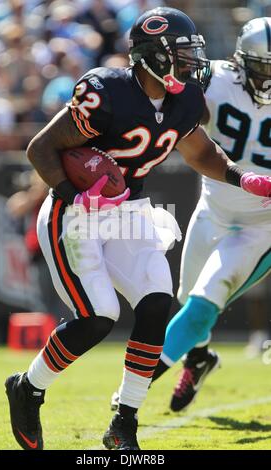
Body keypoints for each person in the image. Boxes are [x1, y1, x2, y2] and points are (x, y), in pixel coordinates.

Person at [5, 8, 271, 451]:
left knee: (155, 303)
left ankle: (122, 423)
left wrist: (241, 177)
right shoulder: (107, 92)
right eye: (182, 55)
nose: (192, 64)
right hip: (74, 213)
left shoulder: (186, 99)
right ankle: (28, 387)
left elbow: (199, 151)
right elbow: (42, 148)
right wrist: (76, 194)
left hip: (131, 208)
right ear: (155, 56)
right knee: (97, 318)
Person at [131, 16, 271, 414]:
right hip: (215, 206)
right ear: (242, 62)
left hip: (264, 223)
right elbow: (179, 111)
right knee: (186, 294)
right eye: (263, 68)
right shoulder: (217, 79)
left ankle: (130, 395)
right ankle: (199, 358)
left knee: (203, 302)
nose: (269, 79)